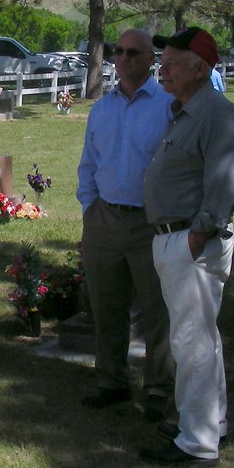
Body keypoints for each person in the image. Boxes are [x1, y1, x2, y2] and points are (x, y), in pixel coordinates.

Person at [139, 27, 234, 468]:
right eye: (162, 60)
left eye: (171, 63)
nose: (161, 69)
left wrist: (197, 235)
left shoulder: (217, 114)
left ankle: (196, 441)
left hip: (190, 242)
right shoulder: (183, 111)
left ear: (199, 70)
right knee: (202, 338)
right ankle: (211, 423)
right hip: (175, 239)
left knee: (191, 342)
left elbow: (228, 182)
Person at [76, 29, 175, 422]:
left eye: (135, 53)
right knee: (107, 308)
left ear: (151, 59)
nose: (125, 58)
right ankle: (112, 381)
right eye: (119, 52)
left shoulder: (168, 105)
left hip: (150, 222)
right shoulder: (102, 109)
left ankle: (157, 388)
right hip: (104, 219)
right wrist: (90, 207)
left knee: (157, 311)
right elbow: (88, 164)